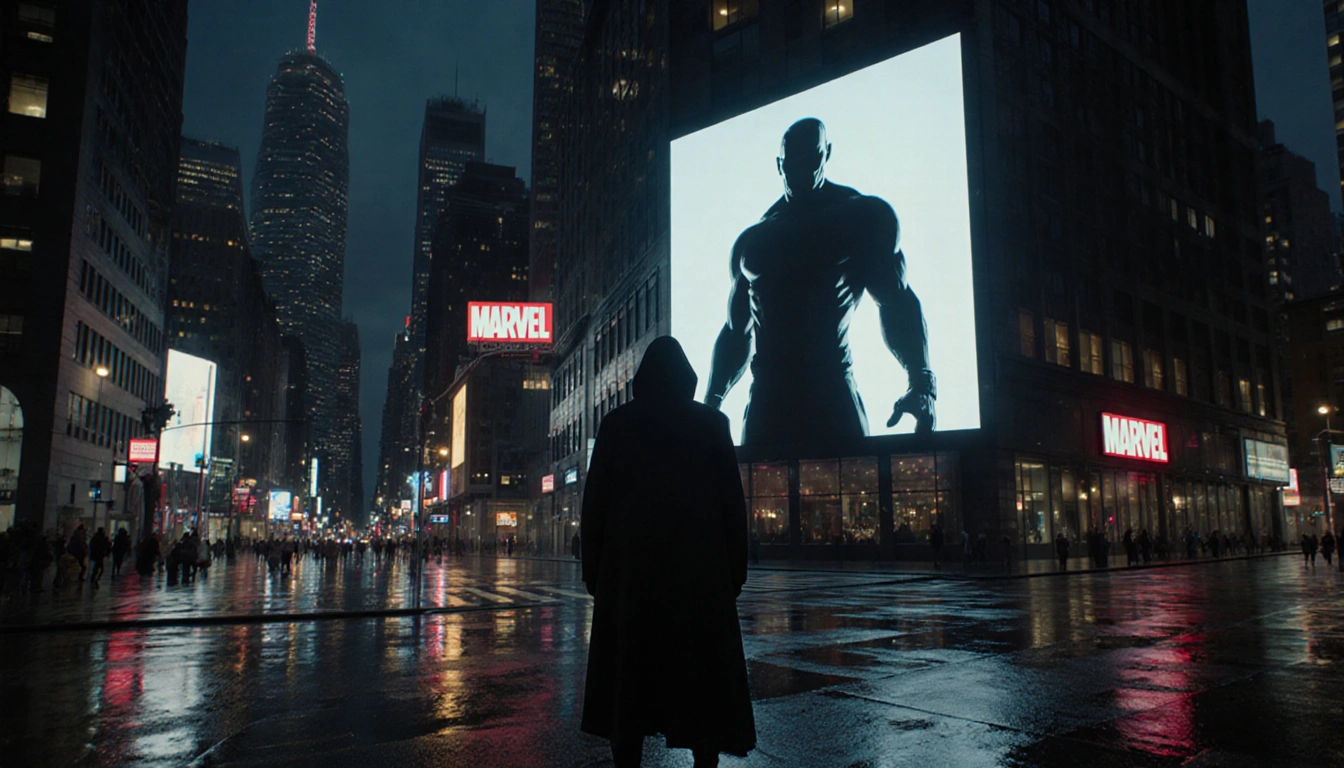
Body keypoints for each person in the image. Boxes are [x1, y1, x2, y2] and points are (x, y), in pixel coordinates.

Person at [704, 118, 936, 446]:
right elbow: (734, 331)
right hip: (769, 396)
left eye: (811, 160)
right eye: (791, 164)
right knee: (757, 494)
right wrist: (710, 405)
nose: (800, 173)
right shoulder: (753, 244)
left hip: (831, 387)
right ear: (778, 165)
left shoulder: (861, 218)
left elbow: (896, 301)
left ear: (826, 154)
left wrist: (921, 383)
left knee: (853, 493)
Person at [581, 337, 755, 767]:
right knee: (701, 679)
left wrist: (596, 574)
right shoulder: (712, 424)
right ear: (687, 378)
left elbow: (595, 506)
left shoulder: (616, 424)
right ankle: (704, 758)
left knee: (630, 682)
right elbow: (733, 507)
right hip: (700, 578)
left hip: (630, 579)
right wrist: (733, 575)